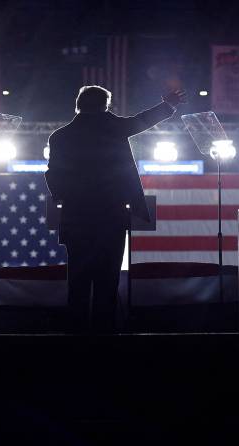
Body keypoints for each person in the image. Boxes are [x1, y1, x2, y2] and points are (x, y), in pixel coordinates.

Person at [45, 85, 186, 332]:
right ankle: (105, 339)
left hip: (76, 216)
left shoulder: (60, 136)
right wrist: (168, 105)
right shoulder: (114, 128)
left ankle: (73, 339)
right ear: (105, 105)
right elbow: (141, 121)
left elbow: (53, 176)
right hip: (111, 216)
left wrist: (66, 196)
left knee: (77, 281)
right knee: (107, 282)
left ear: (79, 103)